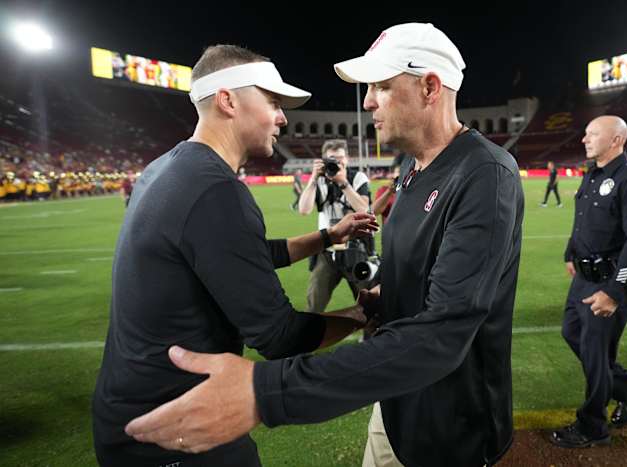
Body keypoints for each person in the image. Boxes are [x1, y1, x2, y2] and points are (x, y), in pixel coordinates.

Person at [125, 23, 524, 467]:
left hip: (450, 423)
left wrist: (265, 392)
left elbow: (443, 336)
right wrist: (379, 301)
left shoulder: (486, 175)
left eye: (381, 86)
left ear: (430, 87)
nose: (369, 100)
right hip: (395, 399)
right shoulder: (414, 170)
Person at [92, 44, 377, 467]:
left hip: (133, 414)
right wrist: (363, 315)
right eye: (272, 102)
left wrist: (326, 237)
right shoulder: (216, 189)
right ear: (228, 100)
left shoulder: (165, 168)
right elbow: (279, 336)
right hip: (176, 425)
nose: (282, 117)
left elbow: (239, 256)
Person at [552, 116, 627, 448]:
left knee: (596, 354)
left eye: (592, 134)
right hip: (583, 279)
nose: (584, 139)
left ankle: (592, 426)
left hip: (609, 282)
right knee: (572, 333)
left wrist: (614, 291)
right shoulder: (594, 174)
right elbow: (583, 218)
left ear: (616, 140)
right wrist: (571, 252)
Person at [297, 139, 370, 313]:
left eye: (340, 158)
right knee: (314, 305)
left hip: (355, 249)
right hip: (327, 251)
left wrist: (343, 183)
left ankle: (373, 338)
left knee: (369, 303)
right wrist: (314, 178)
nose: (337, 162)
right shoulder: (321, 181)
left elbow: (364, 209)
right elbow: (304, 210)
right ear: (324, 160)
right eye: (332, 159)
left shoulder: (357, 177)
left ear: (348, 159)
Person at [371, 154, 406, 224]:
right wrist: (389, 192)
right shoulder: (384, 190)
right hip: (391, 233)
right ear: (393, 173)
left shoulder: (415, 189)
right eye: (398, 171)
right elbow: (374, 211)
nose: (402, 174)